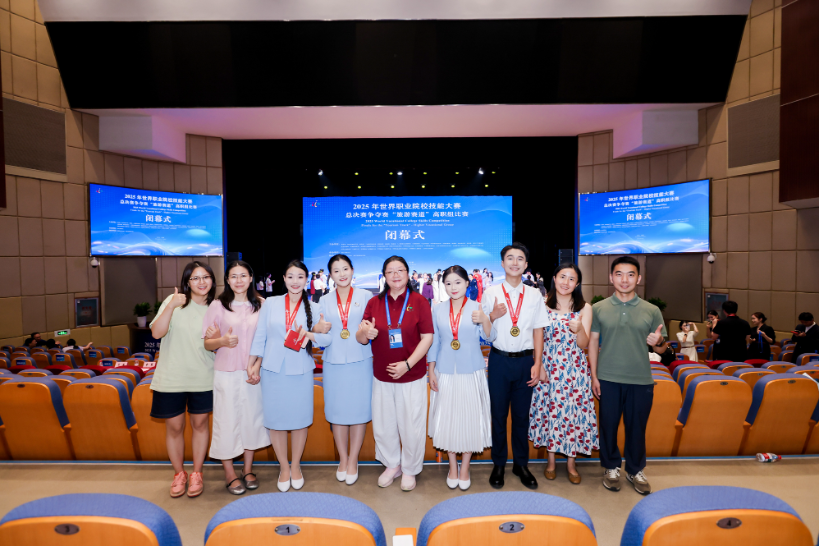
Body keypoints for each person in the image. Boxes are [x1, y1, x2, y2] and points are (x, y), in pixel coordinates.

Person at [589, 256, 667, 496]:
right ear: (611, 277)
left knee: (637, 428)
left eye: (630, 274)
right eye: (619, 274)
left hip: (640, 379)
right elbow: (592, 343)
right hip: (608, 378)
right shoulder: (598, 308)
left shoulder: (652, 310)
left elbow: (662, 349)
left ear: (638, 278)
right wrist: (594, 376)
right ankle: (611, 467)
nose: (625, 279)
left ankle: (635, 470)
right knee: (608, 426)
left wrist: (658, 342)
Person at [359, 255, 434, 492]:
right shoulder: (374, 303)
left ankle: (410, 468)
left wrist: (407, 365)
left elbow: (427, 338)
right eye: (390, 271)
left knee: (411, 425)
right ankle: (392, 464)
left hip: (411, 375)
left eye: (400, 270)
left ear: (408, 274)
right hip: (382, 375)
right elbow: (361, 337)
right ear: (384, 276)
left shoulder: (419, 301)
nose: (395, 275)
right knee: (384, 425)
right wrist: (366, 334)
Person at [481, 242, 548, 490]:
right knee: (498, 416)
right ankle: (499, 464)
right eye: (510, 258)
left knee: (521, 417)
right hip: (499, 360)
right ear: (502, 263)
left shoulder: (534, 294)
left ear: (526, 265)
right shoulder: (491, 293)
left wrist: (537, 363)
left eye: (520, 259)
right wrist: (492, 316)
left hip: (525, 362)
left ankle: (521, 464)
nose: (515, 262)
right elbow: (485, 334)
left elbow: (539, 330)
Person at [249, 260, 320, 492]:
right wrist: (253, 363)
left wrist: (315, 333)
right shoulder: (271, 303)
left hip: (300, 369)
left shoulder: (314, 307)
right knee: (276, 421)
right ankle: (284, 468)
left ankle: (296, 466)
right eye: (290, 276)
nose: (295, 281)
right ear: (283, 278)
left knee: (300, 421)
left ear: (306, 280)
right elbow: (260, 334)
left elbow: (322, 339)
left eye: (300, 277)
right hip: (273, 369)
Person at [150, 261, 217, 498]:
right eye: (195, 278)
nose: (201, 282)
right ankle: (179, 474)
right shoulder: (173, 301)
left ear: (212, 280)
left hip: (203, 376)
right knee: (174, 427)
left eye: (206, 277)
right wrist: (171, 306)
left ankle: (197, 473)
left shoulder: (216, 307)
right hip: (172, 378)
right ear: (187, 282)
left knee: (200, 425)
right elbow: (156, 332)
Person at [202, 260, 270, 495]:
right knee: (226, 421)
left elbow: (267, 340)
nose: (239, 280)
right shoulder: (218, 306)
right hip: (227, 373)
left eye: (243, 275)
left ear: (251, 278)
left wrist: (257, 366)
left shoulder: (262, 305)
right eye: (233, 276)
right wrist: (222, 341)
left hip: (253, 373)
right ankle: (230, 473)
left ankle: (248, 470)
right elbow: (207, 344)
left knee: (252, 421)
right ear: (227, 280)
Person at [530, 263, 597, 484]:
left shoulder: (585, 308)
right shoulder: (542, 305)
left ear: (577, 284)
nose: (566, 282)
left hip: (574, 370)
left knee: (572, 415)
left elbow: (584, 344)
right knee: (551, 413)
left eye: (571, 278)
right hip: (549, 368)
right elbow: (536, 338)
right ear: (554, 278)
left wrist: (580, 329)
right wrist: (539, 365)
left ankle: (571, 463)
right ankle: (550, 461)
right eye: (562, 276)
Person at [428, 266, 494, 491]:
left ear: (467, 283)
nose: (453, 287)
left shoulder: (478, 307)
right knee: (448, 419)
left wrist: (485, 320)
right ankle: (452, 467)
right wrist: (431, 370)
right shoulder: (438, 309)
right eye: (448, 283)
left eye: (457, 282)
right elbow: (434, 342)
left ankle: (465, 468)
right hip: (445, 370)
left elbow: (490, 337)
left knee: (469, 419)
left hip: (471, 370)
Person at [311, 254, 373, 486]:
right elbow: (320, 335)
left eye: (345, 269)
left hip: (360, 360)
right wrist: (317, 329)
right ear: (330, 275)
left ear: (352, 270)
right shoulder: (324, 300)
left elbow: (371, 328)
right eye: (336, 271)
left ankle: (353, 459)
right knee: (337, 412)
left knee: (358, 412)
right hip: (334, 361)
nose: (342, 274)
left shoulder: (366, 296)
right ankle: (343, 459)